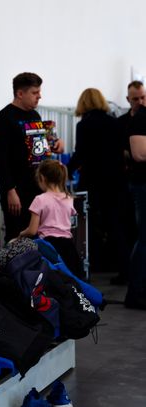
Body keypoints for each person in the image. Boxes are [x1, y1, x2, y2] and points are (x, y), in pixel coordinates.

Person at [0, 72, 64, 242]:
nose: (39, 96)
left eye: (39, 92)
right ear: (20, 93)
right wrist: (10, 190)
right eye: (34, 92)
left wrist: (55, 143)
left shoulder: (34, 116)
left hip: (37, 187)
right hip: (16, 189)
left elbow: (39, 148)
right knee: (17, 235)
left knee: (40, 236)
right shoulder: (3, 119)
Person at [67, 88, 127, 279]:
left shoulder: (84, 125)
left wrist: (66, 171)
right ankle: (123, 269)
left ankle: (91, 265)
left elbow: (80, 153)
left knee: (88, 224)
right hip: (116, 180)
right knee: (115, 223)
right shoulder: (115, 122)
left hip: (92, 180)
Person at [19, 159, 85, 280]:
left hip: (49, 247)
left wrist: (21, 234)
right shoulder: (69, 198)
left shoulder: (40, 199)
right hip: (68, 247)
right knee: (71, 281)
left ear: (42, 178)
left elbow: (32, 231)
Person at [114, 81, 146, 284]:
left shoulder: (141, 118)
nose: (140, 101)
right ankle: (132, 282)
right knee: (136, 234)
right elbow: (136, 153)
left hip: (137, 179)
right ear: (128, 99)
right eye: (136, 98)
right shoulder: (122, 123)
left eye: (143, 97)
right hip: (130, 181)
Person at [124, 101, 146, 309]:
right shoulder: (141, 119)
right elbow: (139, 154)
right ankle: (135, 292)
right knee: (145, 238)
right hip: (143, 185)